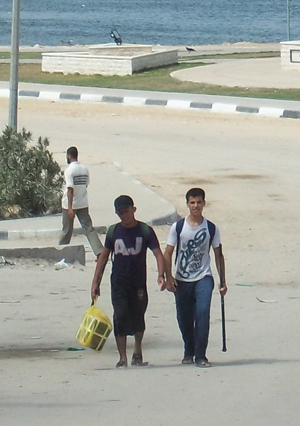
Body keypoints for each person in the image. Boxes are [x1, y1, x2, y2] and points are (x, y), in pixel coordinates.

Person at [91, 195, 168, 367]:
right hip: (118, 283)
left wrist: (161, 275)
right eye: (120, 213)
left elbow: (158, 253)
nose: (123, 216)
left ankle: (137, 351)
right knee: (120, 316)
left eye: (126, 211)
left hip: (138, 284)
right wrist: (95, 283)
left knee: (138, 316)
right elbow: (103, 258)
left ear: (134, 210)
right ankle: (122, 357)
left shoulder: (145, 231)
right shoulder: (113, 231)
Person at [163, 187, 226, 367]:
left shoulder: (211, 228)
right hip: (182, 279)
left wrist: (223, 281)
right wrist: (168, 277)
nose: (195, 205)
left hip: (204, 277)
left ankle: (201, 355)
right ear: (187, 204)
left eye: (199, 202)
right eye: (192, 202)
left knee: (203, 314)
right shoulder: (178, 227)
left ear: (204, 203)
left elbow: (218, 255)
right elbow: (168, 253)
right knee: (184, 318)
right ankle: (188, 349)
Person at [59, 147, 103, 254]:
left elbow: (70, 189)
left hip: (69, 204)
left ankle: (61, 252)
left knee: (67, 230)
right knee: (89, 229)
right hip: (83, 203)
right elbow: (86, 184)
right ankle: (99, 251)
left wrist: (70, 208)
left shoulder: (69, 170)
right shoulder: (84, 168)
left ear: (69, 156)